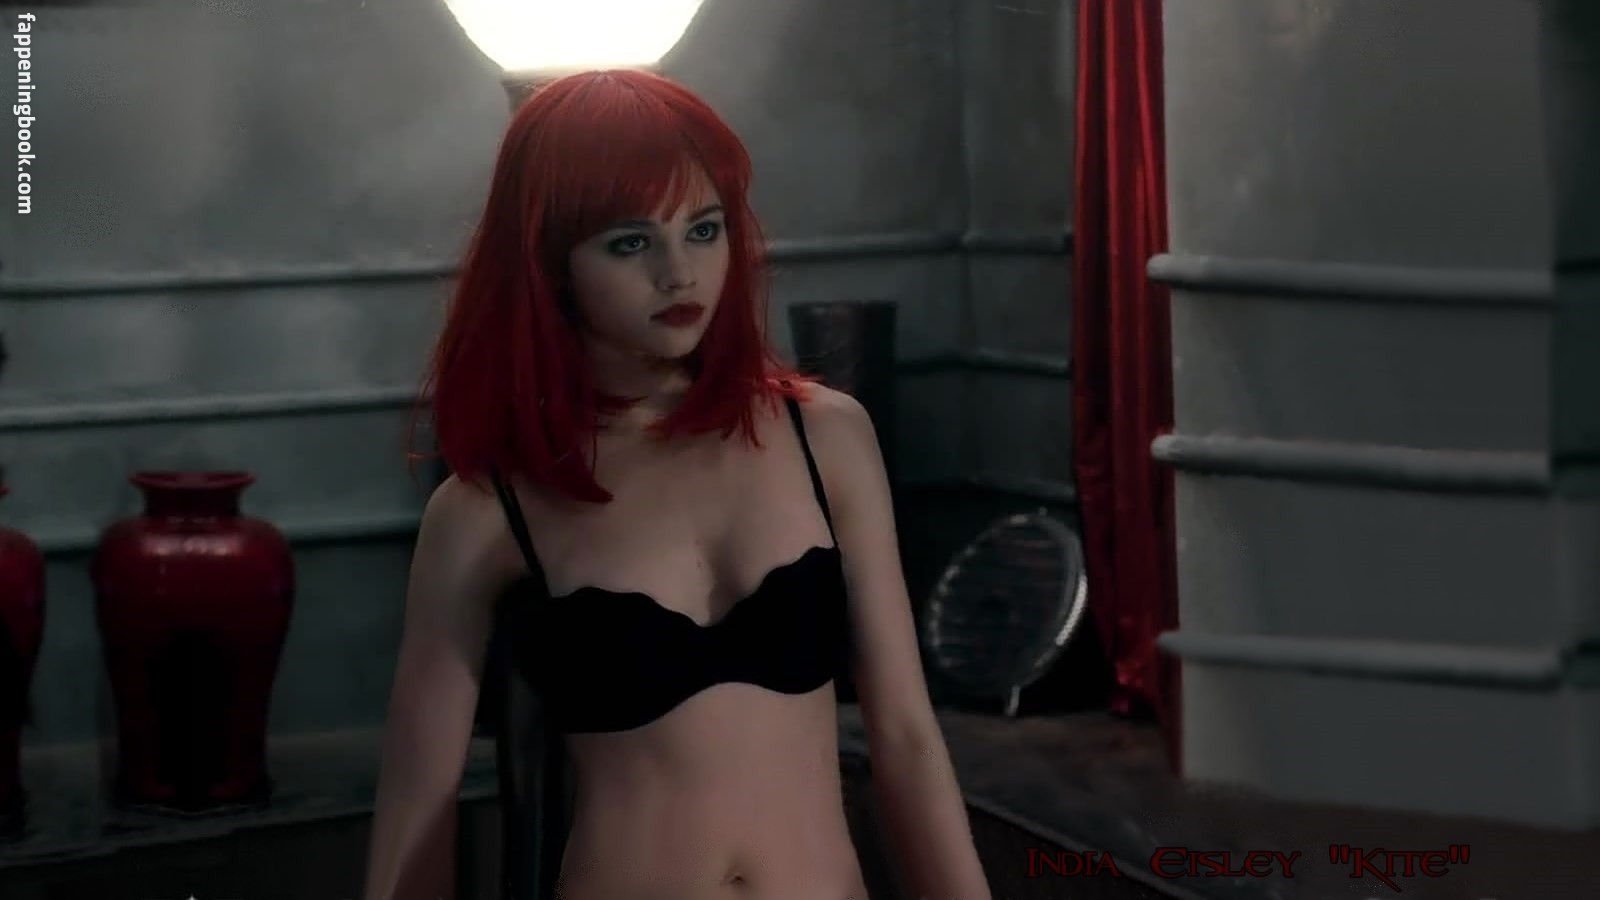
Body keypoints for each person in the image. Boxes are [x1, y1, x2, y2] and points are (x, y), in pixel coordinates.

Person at [362, 69, 991, 900]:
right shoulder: (488, 508)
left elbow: (906, 739)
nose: (679, 273)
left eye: (703, 230)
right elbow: (418, 804)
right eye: (631, 243)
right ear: (551, 263)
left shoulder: (825, 437)